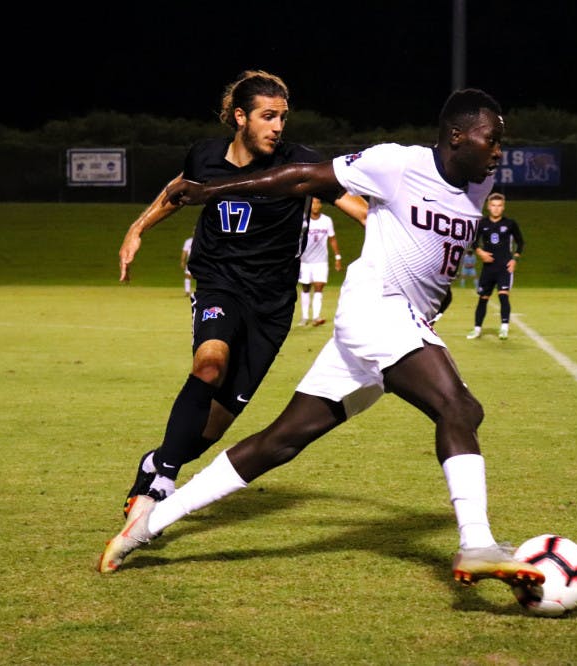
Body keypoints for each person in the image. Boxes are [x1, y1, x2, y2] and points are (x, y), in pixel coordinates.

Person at [98, 88, 545, 592]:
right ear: (457, 137)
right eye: (492, 139)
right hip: (377, 310)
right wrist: (218, 190)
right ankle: (477, 543)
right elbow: (304, 178)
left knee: (280, 441)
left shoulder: (478, 186)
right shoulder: (395, 163)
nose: (499, 151)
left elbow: (433, 250)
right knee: (459, 408)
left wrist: (436, 296)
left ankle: (145, 527)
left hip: (394, 323)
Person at [116, 70, 368, 517]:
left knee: (210, 430)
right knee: (209, 364)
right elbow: (178, 193)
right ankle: (163, 483)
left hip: (271, 307)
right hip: (220, 283)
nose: (277, 127)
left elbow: (359, 209)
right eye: (268, 116)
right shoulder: (206, 155)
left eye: (283, 118)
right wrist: (137, 228)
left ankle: (156, 462)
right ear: (239, 117)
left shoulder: (299, 163)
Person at [465, 193, 524, 340]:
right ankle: (477, 329)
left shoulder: (510, 224)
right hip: (488, 268)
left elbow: (520, 242)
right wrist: (480, 252)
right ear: (488, 207)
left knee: (503, 296)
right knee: (483, 298)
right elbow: (473, 241)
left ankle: (504, 327)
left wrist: (514, 259)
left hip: (504, 267)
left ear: (503, 207)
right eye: (493, 205)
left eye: (499, 206)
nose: (496, 209)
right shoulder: (482, 224)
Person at [296, 197, 344, 327]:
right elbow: (296, 239)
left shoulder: (327, 221)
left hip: (321, 261)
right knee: (305, 287)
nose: (316, 206)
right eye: (313, 203)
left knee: (319, 287)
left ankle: (316, 317)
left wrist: (337, 257)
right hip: (305, 261)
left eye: (318, 203)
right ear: (309, 206)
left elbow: (332, 239)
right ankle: (305, 317)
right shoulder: (303, 221)